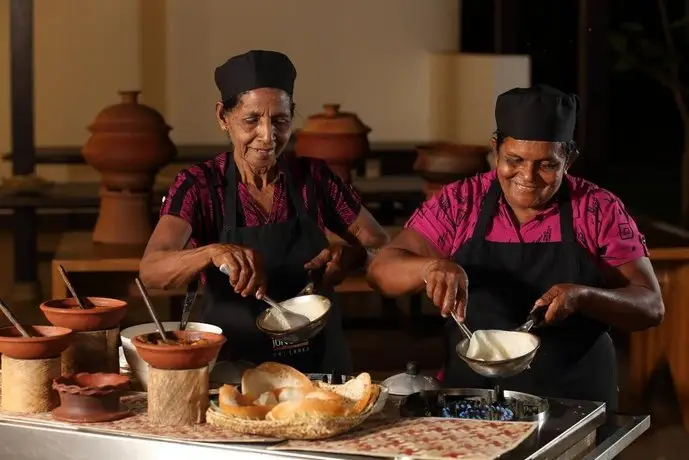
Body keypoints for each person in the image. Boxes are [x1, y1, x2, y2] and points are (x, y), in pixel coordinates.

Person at [367, 84, 664, 411]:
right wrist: (430, 267)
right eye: (514, 160)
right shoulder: (461, 202)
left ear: (570, 158)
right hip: (471, 396)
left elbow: (650, 305)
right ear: (495, 148)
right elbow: (381, 271)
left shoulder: (597, 209)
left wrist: (584, 296)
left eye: (547, 165)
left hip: (576, 397)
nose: (528, 176)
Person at [139, 50, 389, 374]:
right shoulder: (200, 186)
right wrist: (213, 252)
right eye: (252, 119)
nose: (268, 136)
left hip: (318, 368)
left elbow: (380, 244)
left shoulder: (313, 178)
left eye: (280, 121)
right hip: (235, 368)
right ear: (222, 117)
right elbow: (152, 269)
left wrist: (354, 255)